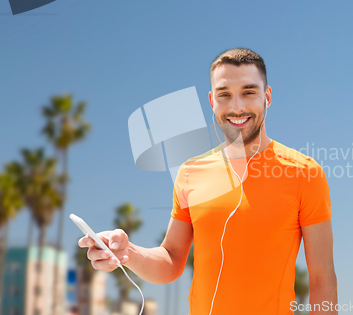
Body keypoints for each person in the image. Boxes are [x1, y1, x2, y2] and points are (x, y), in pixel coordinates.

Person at [78, 48, 338, 315]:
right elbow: (171, 260)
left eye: (249, 92)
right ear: (212, 101)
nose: (237, 107)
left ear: (267, 97)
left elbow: (322, 279)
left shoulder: (304, 173)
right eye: (225, 95)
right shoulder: (190, 172)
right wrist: (127, 252)